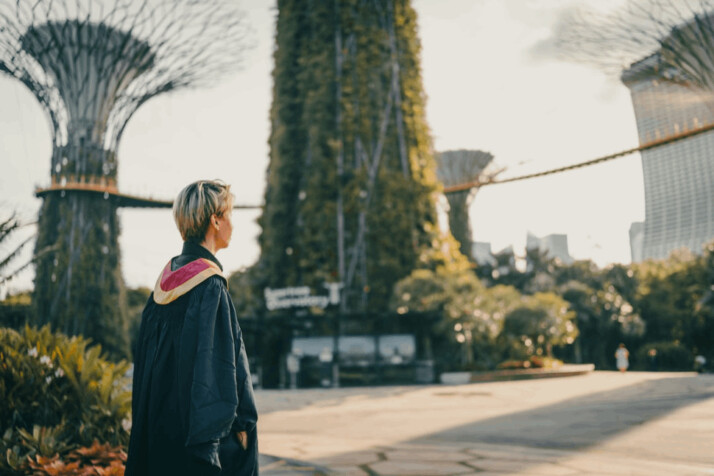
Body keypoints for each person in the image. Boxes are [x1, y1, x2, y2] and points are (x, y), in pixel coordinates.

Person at [126, 180, 258, 475]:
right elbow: (221, 366)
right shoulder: (209, 286)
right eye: (230, 215)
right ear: (215, 219)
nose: (232, 225)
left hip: (160, 431)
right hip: (196, 440)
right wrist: (240, 424)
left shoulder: (160, 291)